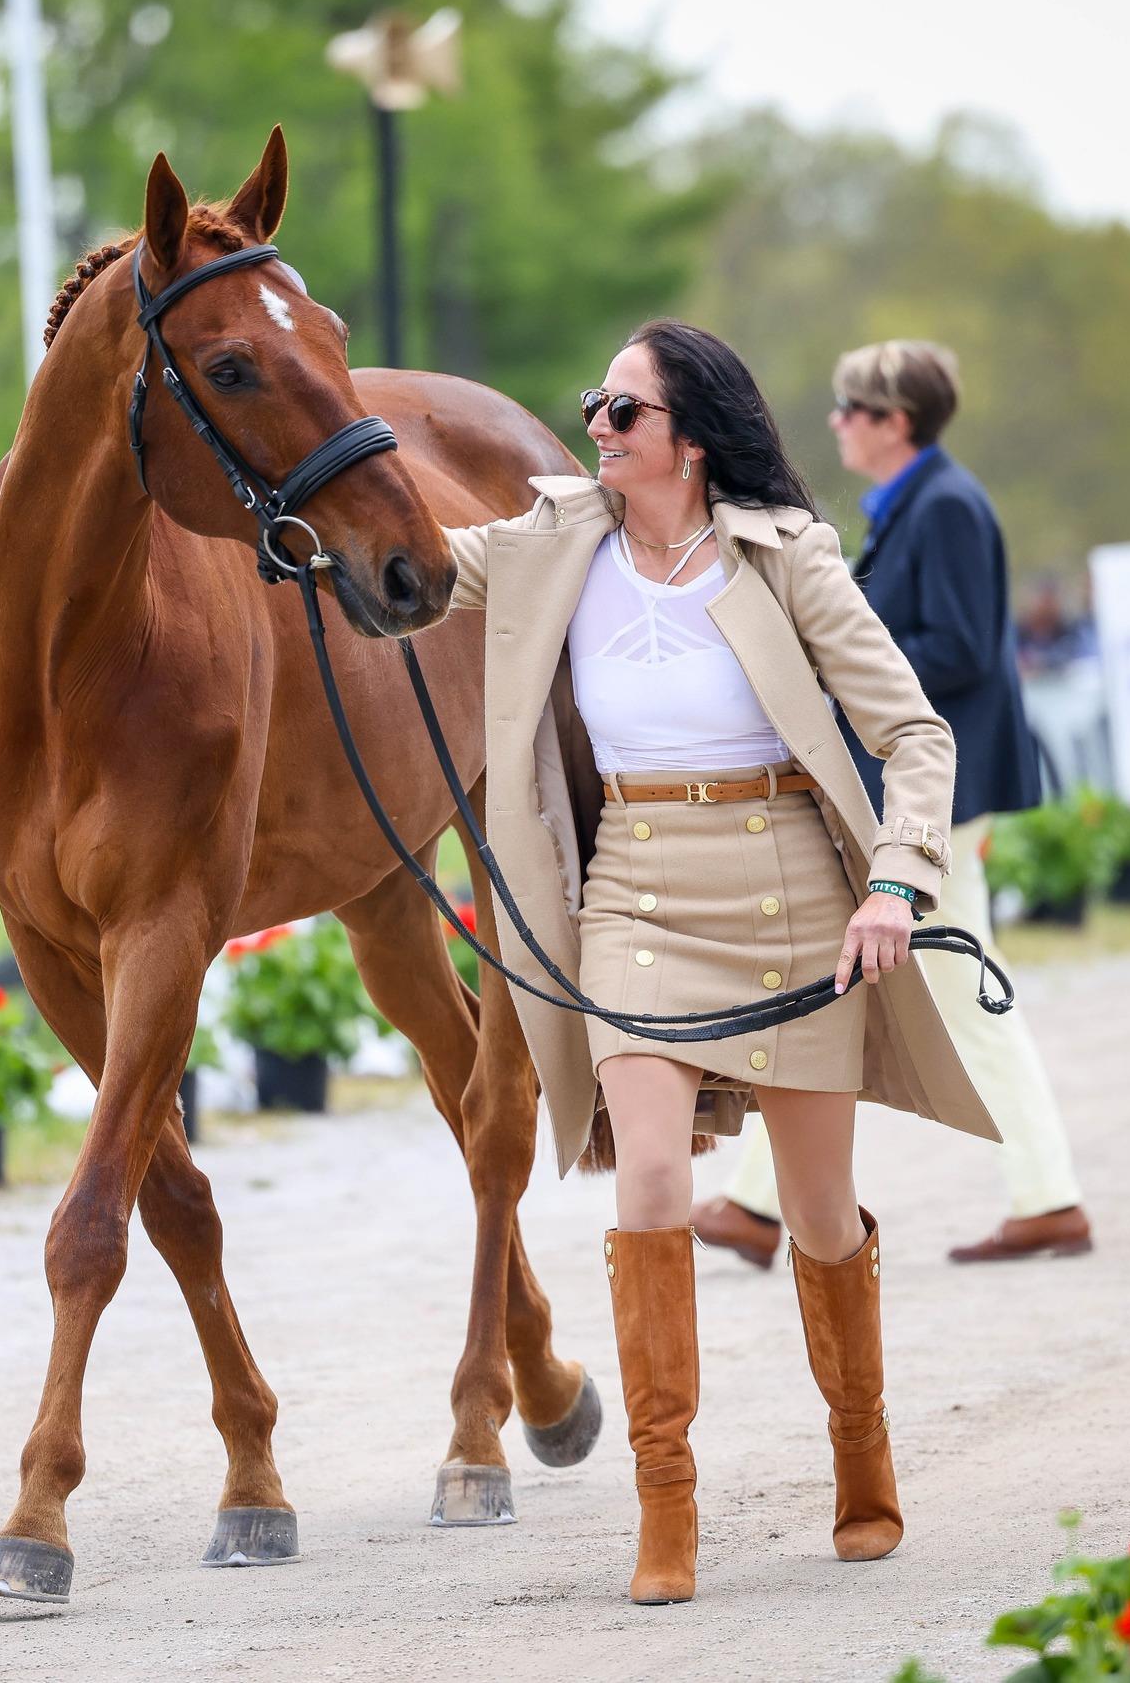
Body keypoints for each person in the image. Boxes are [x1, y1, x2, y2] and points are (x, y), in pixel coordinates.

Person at [437, 320, 999, 1606]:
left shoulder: (783, 556)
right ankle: (664, 1506)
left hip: (791, 887)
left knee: (811, 1211)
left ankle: (859, 1452)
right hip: (632, 882)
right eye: (593, 403)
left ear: (688, 439)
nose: (594, 426)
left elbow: (910, 730)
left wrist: (898, 879)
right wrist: (284, 508)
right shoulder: (549, 540)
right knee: (645, 1180)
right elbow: (410, 563)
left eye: (621, 412)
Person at [692, 340, 1093, 1271]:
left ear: (893, 421)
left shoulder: (943, 506)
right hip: (935, 792)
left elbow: (953, 648)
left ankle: (1048, 1196)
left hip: (934, 795)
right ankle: (758, 1201)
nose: (835, 422)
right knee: (859, 980)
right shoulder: (927, 501)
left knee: (955, 989)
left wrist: (838, 667)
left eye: (850, 408)